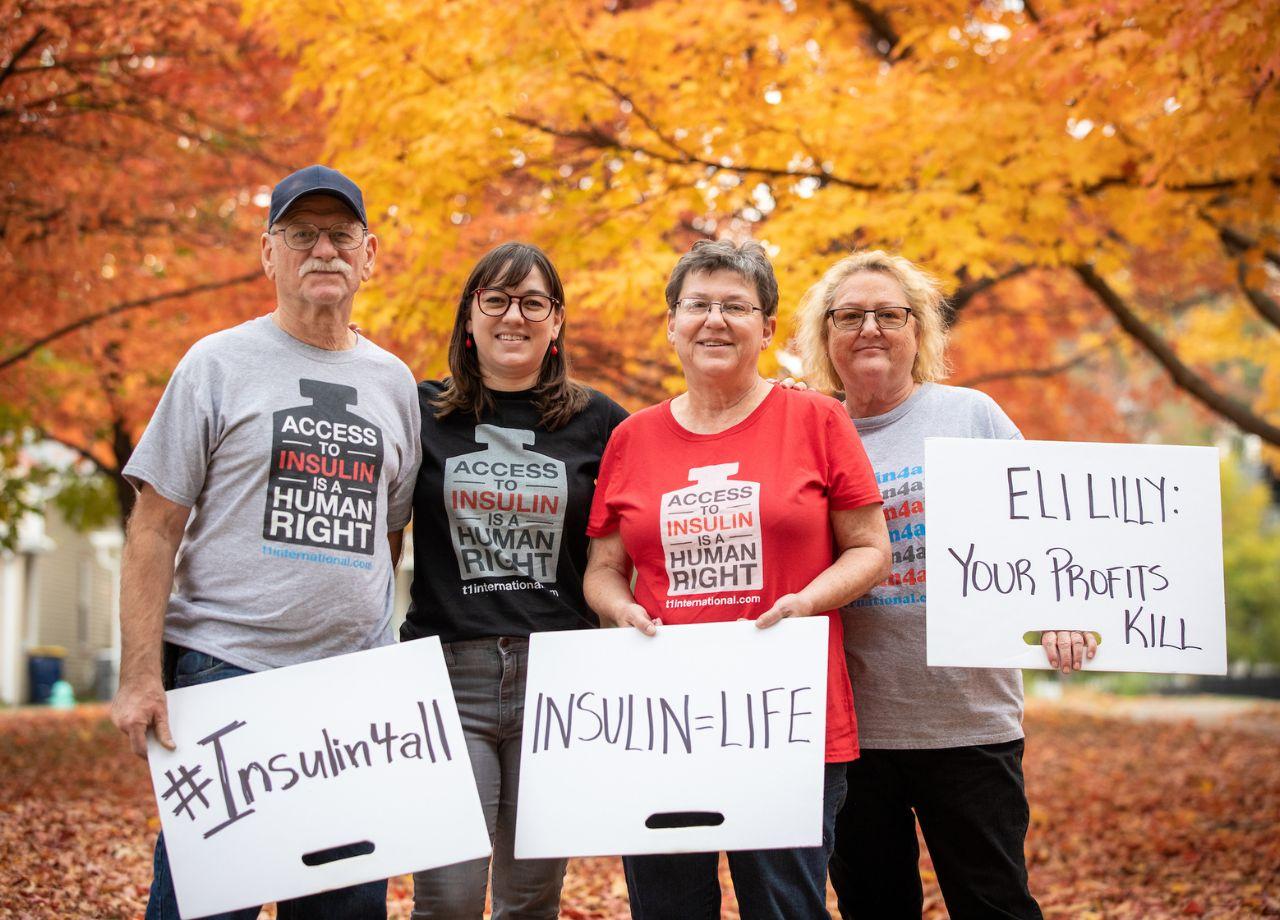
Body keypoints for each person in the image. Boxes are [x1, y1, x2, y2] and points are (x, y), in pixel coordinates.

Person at [110, 164, 421, 920]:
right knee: (206, 906)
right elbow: (153, 528)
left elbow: (391, 530)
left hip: (350, 695)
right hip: (227, 675)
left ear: (370, 254)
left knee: (344, 907)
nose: (324, 251)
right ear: (268, 253)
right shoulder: (215, 366)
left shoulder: (395, 383)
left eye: (341, 236)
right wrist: (140, 675)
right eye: (302, 235)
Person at [583, 239, 891, 920]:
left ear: (768, 328)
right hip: (665, 719)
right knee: (668, 909)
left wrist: (808, 600)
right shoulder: (632, 439)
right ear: (671, 325)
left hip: (787, 719)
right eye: (697, 305)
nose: (714, 320)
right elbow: (604, 569)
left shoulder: (817, 419)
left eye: (735, 306)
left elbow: (871, 549)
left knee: (785, 907)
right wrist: (621, 611)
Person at [797, 249, 1095, 920]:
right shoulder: (812, 433)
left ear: (918, 330)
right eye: (849, 316)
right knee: (873, 908)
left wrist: (1067, 611)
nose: (870, 328)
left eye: (889, 314)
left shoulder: (971, 416)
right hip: (854, 733)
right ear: (826, 336)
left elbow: (1044, 531)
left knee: (994, 904)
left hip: (968, 721)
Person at [402, 242, 628, 919]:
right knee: (448, 894)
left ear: (556, 322)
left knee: (531, 900)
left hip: (556, 683)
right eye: (495, 300)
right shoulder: (418, 410)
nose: (514, 316)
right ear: (469, 318)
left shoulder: (602, 422)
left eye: (534, 302)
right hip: (446, 672)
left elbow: (684, 451)